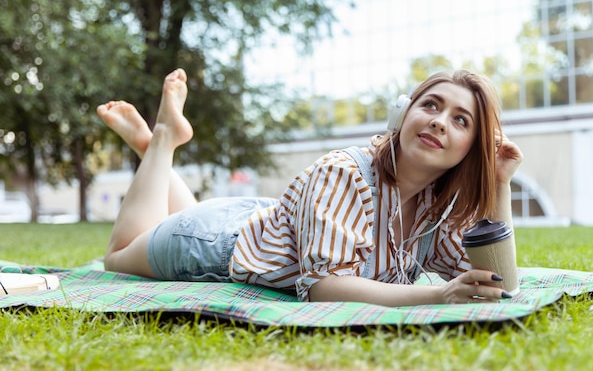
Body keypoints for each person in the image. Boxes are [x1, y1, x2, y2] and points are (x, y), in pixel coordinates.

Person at [96, 68, 523, 307]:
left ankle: (152, 150)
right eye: (430, 105)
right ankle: (164, 139)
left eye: (460, 120)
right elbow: (325, 288)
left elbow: (500, 282)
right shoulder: (345, 174)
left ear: (471, 149)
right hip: (211, 244)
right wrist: (436, 294)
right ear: (402, 115)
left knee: (168, 217)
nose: (438, 121)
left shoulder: (438, 206)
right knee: (117, 255)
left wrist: (499, 183)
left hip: (259, 222)